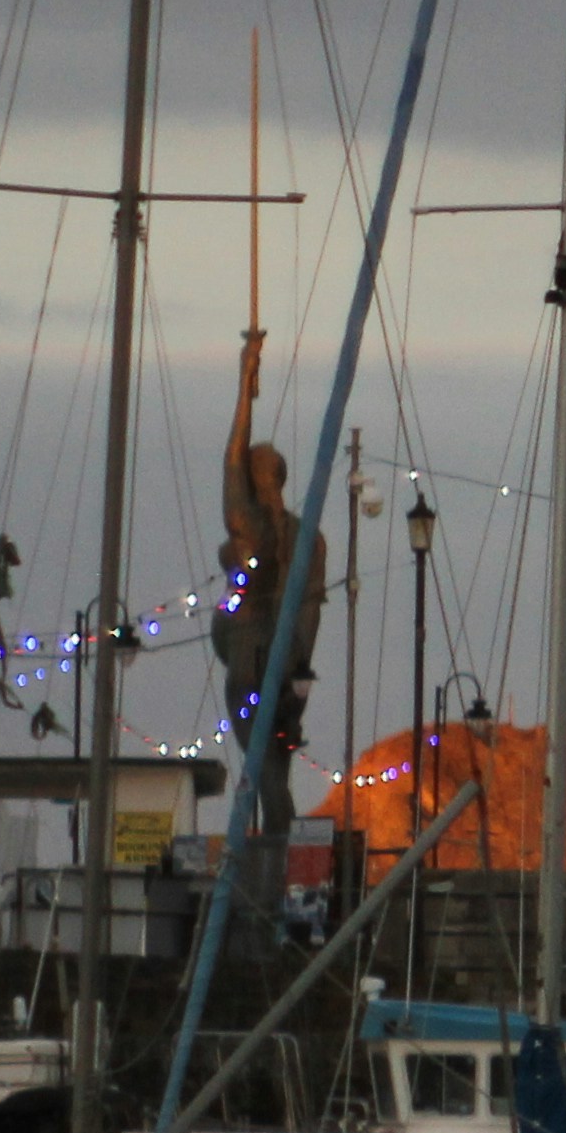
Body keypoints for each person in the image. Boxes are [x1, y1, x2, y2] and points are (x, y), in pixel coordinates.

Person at [217, 331, 312, 847]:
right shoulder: (301, 535)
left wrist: (244, 379)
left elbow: (230, 456)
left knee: (261, 763)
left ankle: (275, 854)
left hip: (251, 652)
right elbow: (311, 612)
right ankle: (282, 847)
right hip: (285, 657)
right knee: (272, 764)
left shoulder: (250, 525)